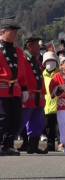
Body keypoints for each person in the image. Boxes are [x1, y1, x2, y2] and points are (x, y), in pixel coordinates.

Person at [0, 17, 28, 156]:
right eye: (12, 31)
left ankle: (8, 145)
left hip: (15, 90)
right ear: (2, 32)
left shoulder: (19, 52)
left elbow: (22, 72)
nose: (15, 34)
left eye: (16, 32)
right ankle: (1, 145)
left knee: (16, 119)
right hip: (2, 89)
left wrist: (24, 88)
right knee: (3, 118)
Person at [21, 37, 47, 154]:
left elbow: (39, 78)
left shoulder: (35, 60)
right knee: (21, 120)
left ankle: (33, 146)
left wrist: (43, 92)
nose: (39, 48)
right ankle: (7, 144)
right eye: (37, 46)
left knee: (38, 121)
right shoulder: (23, 59)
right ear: (30, 46)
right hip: (28, 94)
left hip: (38, 95)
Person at [43, 51, 60, 151]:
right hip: (47, 105)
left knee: (60, 126)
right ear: (44, 63)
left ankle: (62, 144)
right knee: (49, 127)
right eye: (48, 61)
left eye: (52, 60)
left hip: (59, 105)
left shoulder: (60, 74)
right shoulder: (42, 75)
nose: (50, 63)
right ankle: (50, 145)